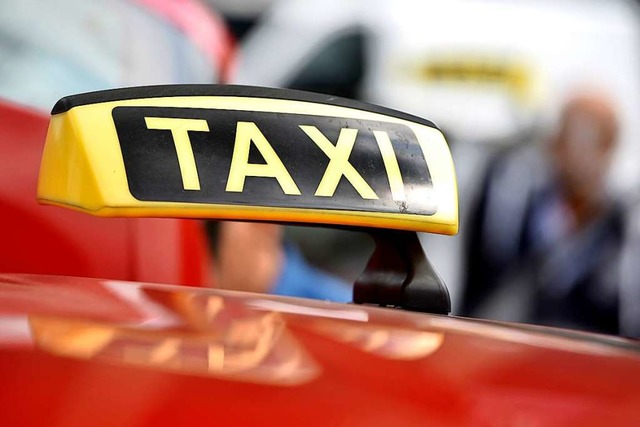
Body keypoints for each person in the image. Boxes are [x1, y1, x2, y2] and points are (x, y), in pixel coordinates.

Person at [462, 91, 626, 335]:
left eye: (597, 142)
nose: (584, 155)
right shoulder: (513, 199)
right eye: (574, 137)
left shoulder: (619, 226)